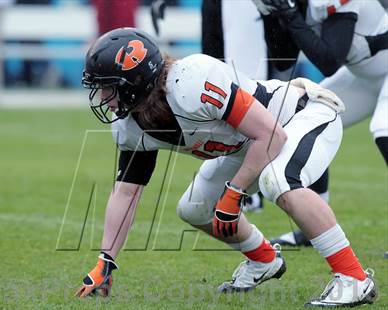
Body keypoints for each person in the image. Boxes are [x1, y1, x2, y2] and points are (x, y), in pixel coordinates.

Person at [74, 28, 377, 307]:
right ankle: (264, 260)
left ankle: (354, 278)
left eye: (108, 87)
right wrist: (106, 260)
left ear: (136, 81)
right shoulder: (131, 126)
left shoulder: (190, 83)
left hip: (300, 115)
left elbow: (272, 135)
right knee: (193, 208)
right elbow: (126, 193)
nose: (102, 97)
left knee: (278, 181)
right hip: (250, 144)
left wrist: (234, 192)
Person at [251, 0, 388, 247]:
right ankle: (314, 226)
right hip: (364, 75)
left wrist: (290, 15)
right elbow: (283, 61)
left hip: (378, 68)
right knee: (306, 115)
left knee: (384, 129)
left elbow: (329, 60)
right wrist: (275, 16)